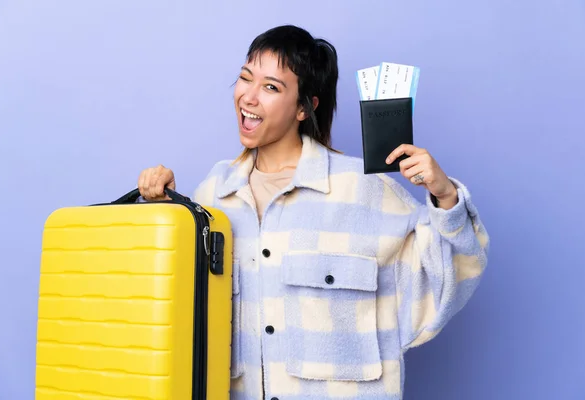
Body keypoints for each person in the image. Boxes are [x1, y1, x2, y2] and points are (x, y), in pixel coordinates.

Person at [137, 24, 489, 400]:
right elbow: (175, 311)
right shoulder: (212, 196)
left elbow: (450, 279)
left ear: (305, 106)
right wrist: (164, 214)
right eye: (245, 78)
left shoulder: (364, 189)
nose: (249, 97)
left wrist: (445, 196)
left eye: (271, 87)